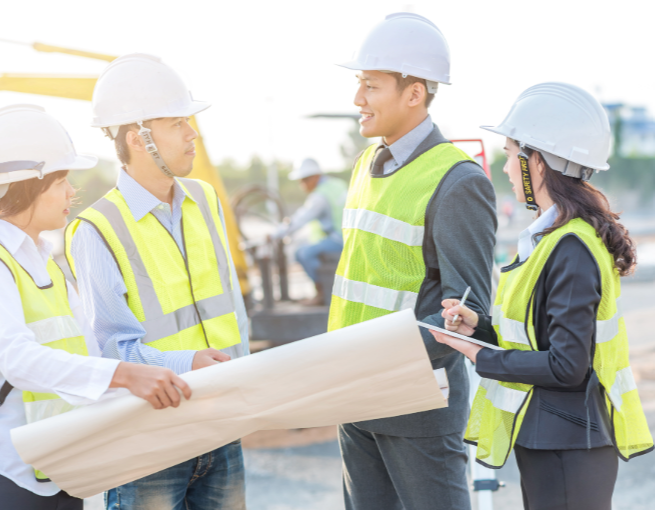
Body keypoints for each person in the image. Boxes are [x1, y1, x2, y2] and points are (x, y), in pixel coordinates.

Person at [432, 82, 654, 510]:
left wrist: (479, 356)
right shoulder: (552, 240)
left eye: (509, 154)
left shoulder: (571, 247)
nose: (505, 169)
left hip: (569, 443)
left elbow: (567, 366)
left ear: (536, 161)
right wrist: (480, 328)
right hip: (553, 439)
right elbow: (543, 336)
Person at [327, 13, 497, 510]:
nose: (358, 99)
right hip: (353, 398)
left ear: (415, 93)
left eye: (370, 85)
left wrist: (376, 360)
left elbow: (468, 320)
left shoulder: (458, 181)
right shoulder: (365, 166)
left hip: (416, 409)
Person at [65, 54, 249, 509]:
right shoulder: (96, 230)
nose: (193, 134)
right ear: (137, 138)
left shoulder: (203, 200)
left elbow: (232, 311)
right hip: (148, 441)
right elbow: (111, 353)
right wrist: (190, 362)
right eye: (177, 123)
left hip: (221, 425)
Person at [0, 104, 191, 510]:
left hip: (58, 468)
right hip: (11, 476)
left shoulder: (41, 258)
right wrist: (125, 375)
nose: (73, 192)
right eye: (62, 180)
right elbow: (15, 360)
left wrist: (185, 365)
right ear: (23, 185)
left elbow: (87, 355)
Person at [272, 157, 347, 305]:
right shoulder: (337, 185)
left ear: (315, 177)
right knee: (309, 247)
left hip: (340, 239)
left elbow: (301, 219)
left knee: (303, 253)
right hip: (348, 236)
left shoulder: (320, 196)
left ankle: (323, 293)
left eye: (304, 180)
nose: (302, 185)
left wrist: (275, 234)